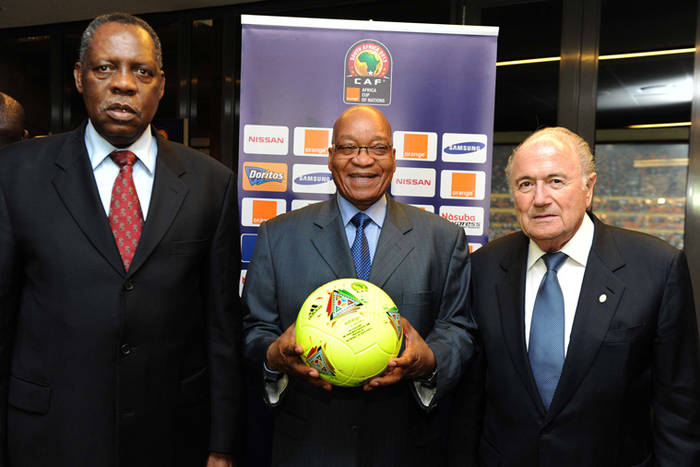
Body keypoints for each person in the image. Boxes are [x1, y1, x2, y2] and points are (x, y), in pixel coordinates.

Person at [0, 13, 240, 467]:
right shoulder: (15, 175)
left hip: (170, 438)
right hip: (48, 436)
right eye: (105, 68)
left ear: (161, 85)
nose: (124, 84)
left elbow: (221, 328)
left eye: (142, 71)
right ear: (79, 77)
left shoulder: (212, 183)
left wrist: (222, 444)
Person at [242, 105, 475, 466]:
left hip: (405, 447)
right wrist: (274, 355)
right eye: (348, 147)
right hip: (308, 446)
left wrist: (429, 359)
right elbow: (254, 328)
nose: (363, 160)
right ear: (330, 157)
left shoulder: (442, 239)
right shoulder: (278, 236)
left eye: (377, 148)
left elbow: (458, 327)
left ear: (394, 158)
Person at [460, 127, 700, 466]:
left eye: (556, 181)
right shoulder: (484, 267)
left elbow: (679, 406)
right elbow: (469, 399)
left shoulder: (656, 267)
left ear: (589, 187)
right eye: (525, 184)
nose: (540, 198)